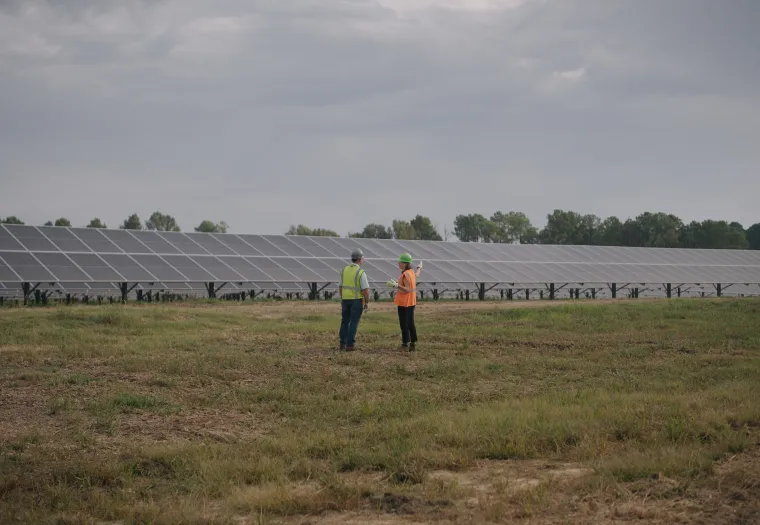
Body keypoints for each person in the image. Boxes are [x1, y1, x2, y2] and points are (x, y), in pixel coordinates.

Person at [338, 248, 370, 351]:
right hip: (356, 301)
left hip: (345, 300)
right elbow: (365, 290)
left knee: (344, 321)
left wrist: (343, 298)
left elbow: (340, 287)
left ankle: (342, 343)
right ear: (360, 259)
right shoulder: (360, 272)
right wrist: (367, 301)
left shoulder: (344, 270)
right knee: (353, 322)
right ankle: (350, 345)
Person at [391, 253, 422, 350]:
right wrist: (419, 267)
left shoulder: (405, 274)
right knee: (410, 323)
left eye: (400, 261)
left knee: (404, 324)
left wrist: (396, 285)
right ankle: (412, 343)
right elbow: (417, 274)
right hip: (411, 302)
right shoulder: (411, 272)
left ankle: (405, 344)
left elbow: (407, 289)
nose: (398, 263)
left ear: (404, 263)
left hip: (404, 303)